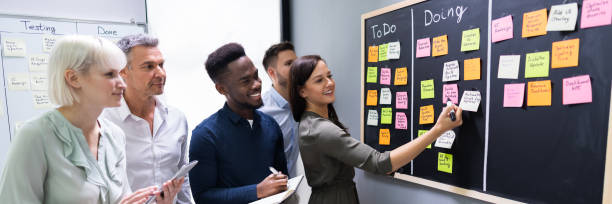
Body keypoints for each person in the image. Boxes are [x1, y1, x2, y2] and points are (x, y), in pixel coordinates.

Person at [0, 35, 183, 203]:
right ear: (73, 78)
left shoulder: (114, 135)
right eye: (110, 75)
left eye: (120, 73)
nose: (121, 83)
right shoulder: (35, 137)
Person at [288, 55, 463, 204]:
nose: (330, 83)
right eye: (319, 80)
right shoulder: (321, 130)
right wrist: (437, 130)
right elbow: (380, 164)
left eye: (329, 76)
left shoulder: (310, 122)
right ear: (302, 91)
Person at [189, 43, 288, 203]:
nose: (256, 84)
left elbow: (283, 179)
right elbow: (203, 198)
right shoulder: (205, 136)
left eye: (256, 75)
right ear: (222, 89)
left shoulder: (271, 125)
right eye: (245, 81)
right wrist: (257, 191)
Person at [102, 34, 192, 203]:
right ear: (123, 72)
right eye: (149, 66)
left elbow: (181, 177)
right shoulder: (103, 123)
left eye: (161, 65)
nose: (161, 73)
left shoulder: (176, 118)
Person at [259, 42, 300, 177]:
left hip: (293, 189)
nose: (297, 67)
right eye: (289, 64)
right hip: (267, 193)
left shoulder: (306, 102)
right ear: (272, 72)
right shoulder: (260, 111)